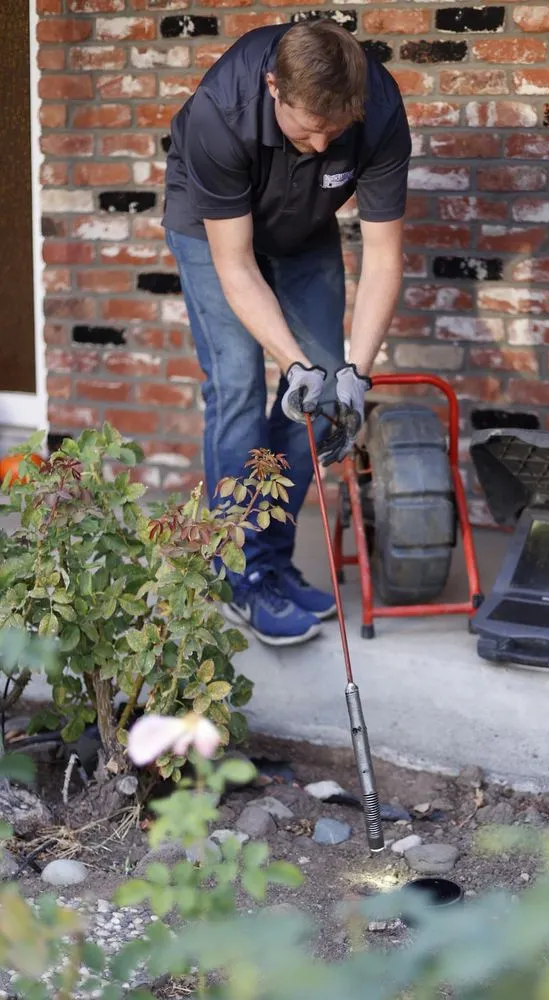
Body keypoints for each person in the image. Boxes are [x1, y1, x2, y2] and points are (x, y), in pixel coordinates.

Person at [162, 20, 411, 647]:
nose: (323, 144)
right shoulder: (220, 113)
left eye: (337, 129)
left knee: (324, 397)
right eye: (308, 129)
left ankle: (271, 563)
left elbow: (384, 257)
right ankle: (236, 574)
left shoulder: (379, 108)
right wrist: (292, 364)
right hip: (214, 232)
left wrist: (355, 372)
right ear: (274, 86)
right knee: (239, 387)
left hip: (304, 227)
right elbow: (237, 266)